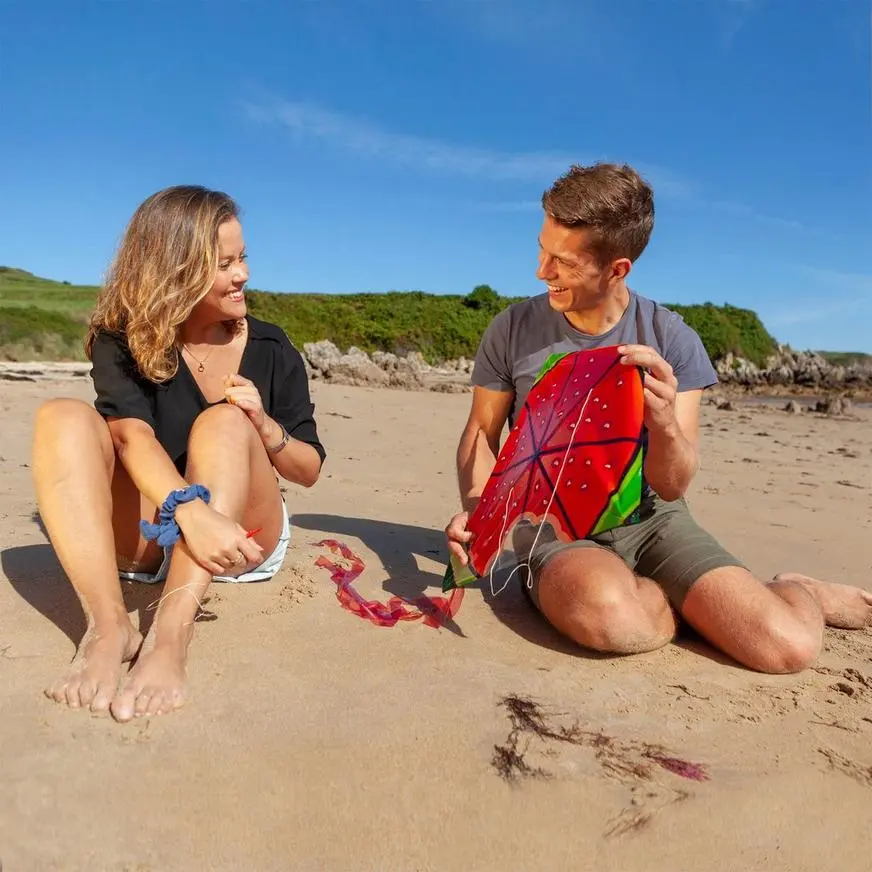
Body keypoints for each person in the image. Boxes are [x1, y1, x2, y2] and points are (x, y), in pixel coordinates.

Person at [445, 162, 871, 674]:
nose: (541, 271)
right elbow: (481, 434)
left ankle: (798, 590)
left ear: (617, 269)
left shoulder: (670, 337)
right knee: (608, 617)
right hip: (552, 526)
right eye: (542, 249)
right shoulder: (512, 328)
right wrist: (479, 514)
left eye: (563, 262)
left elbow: (673, 485)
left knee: (787, 647)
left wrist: (664, 421)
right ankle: (693, 608)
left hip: (653, 518)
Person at [32, 185, 325, 721]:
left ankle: (170, 635)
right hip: (156, 531)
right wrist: (190, 512)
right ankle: (109, 628)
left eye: (243, 258)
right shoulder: (122, 338)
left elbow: (308, 470)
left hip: (239, 535)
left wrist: (264, 425)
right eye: (224, 264)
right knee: (62, 416)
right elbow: (131, 437)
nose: (243, 274)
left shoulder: (271, 346)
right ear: (175, 271)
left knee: (224, 420)